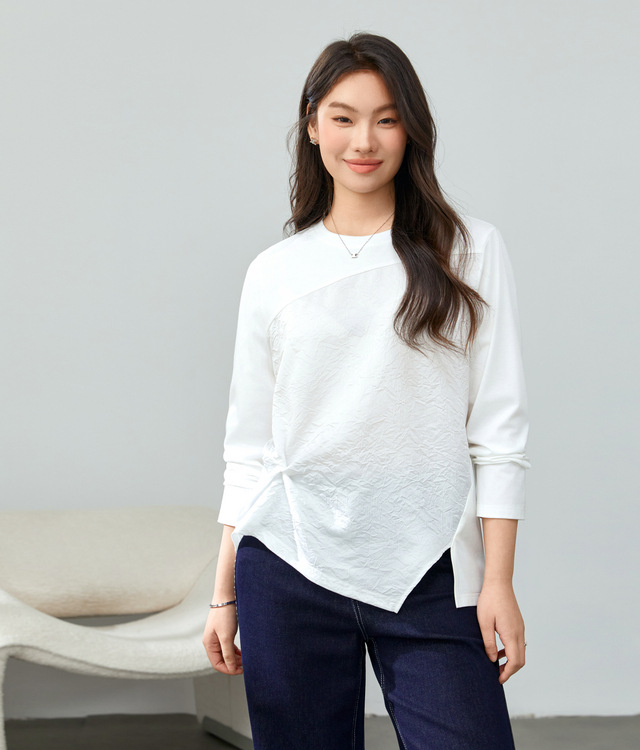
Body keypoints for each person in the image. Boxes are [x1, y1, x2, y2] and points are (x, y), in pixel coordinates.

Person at [203, 31, 531, 750]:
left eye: (386, 118)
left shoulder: (469, 249)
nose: (364, 140)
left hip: (430, 568)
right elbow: (251, 450)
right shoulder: (275, 272)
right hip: (288, 564)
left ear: (411, 129)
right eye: (344, 117)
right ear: (312, 125)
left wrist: (498, 581)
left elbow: (498, 431)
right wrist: (224, 593)